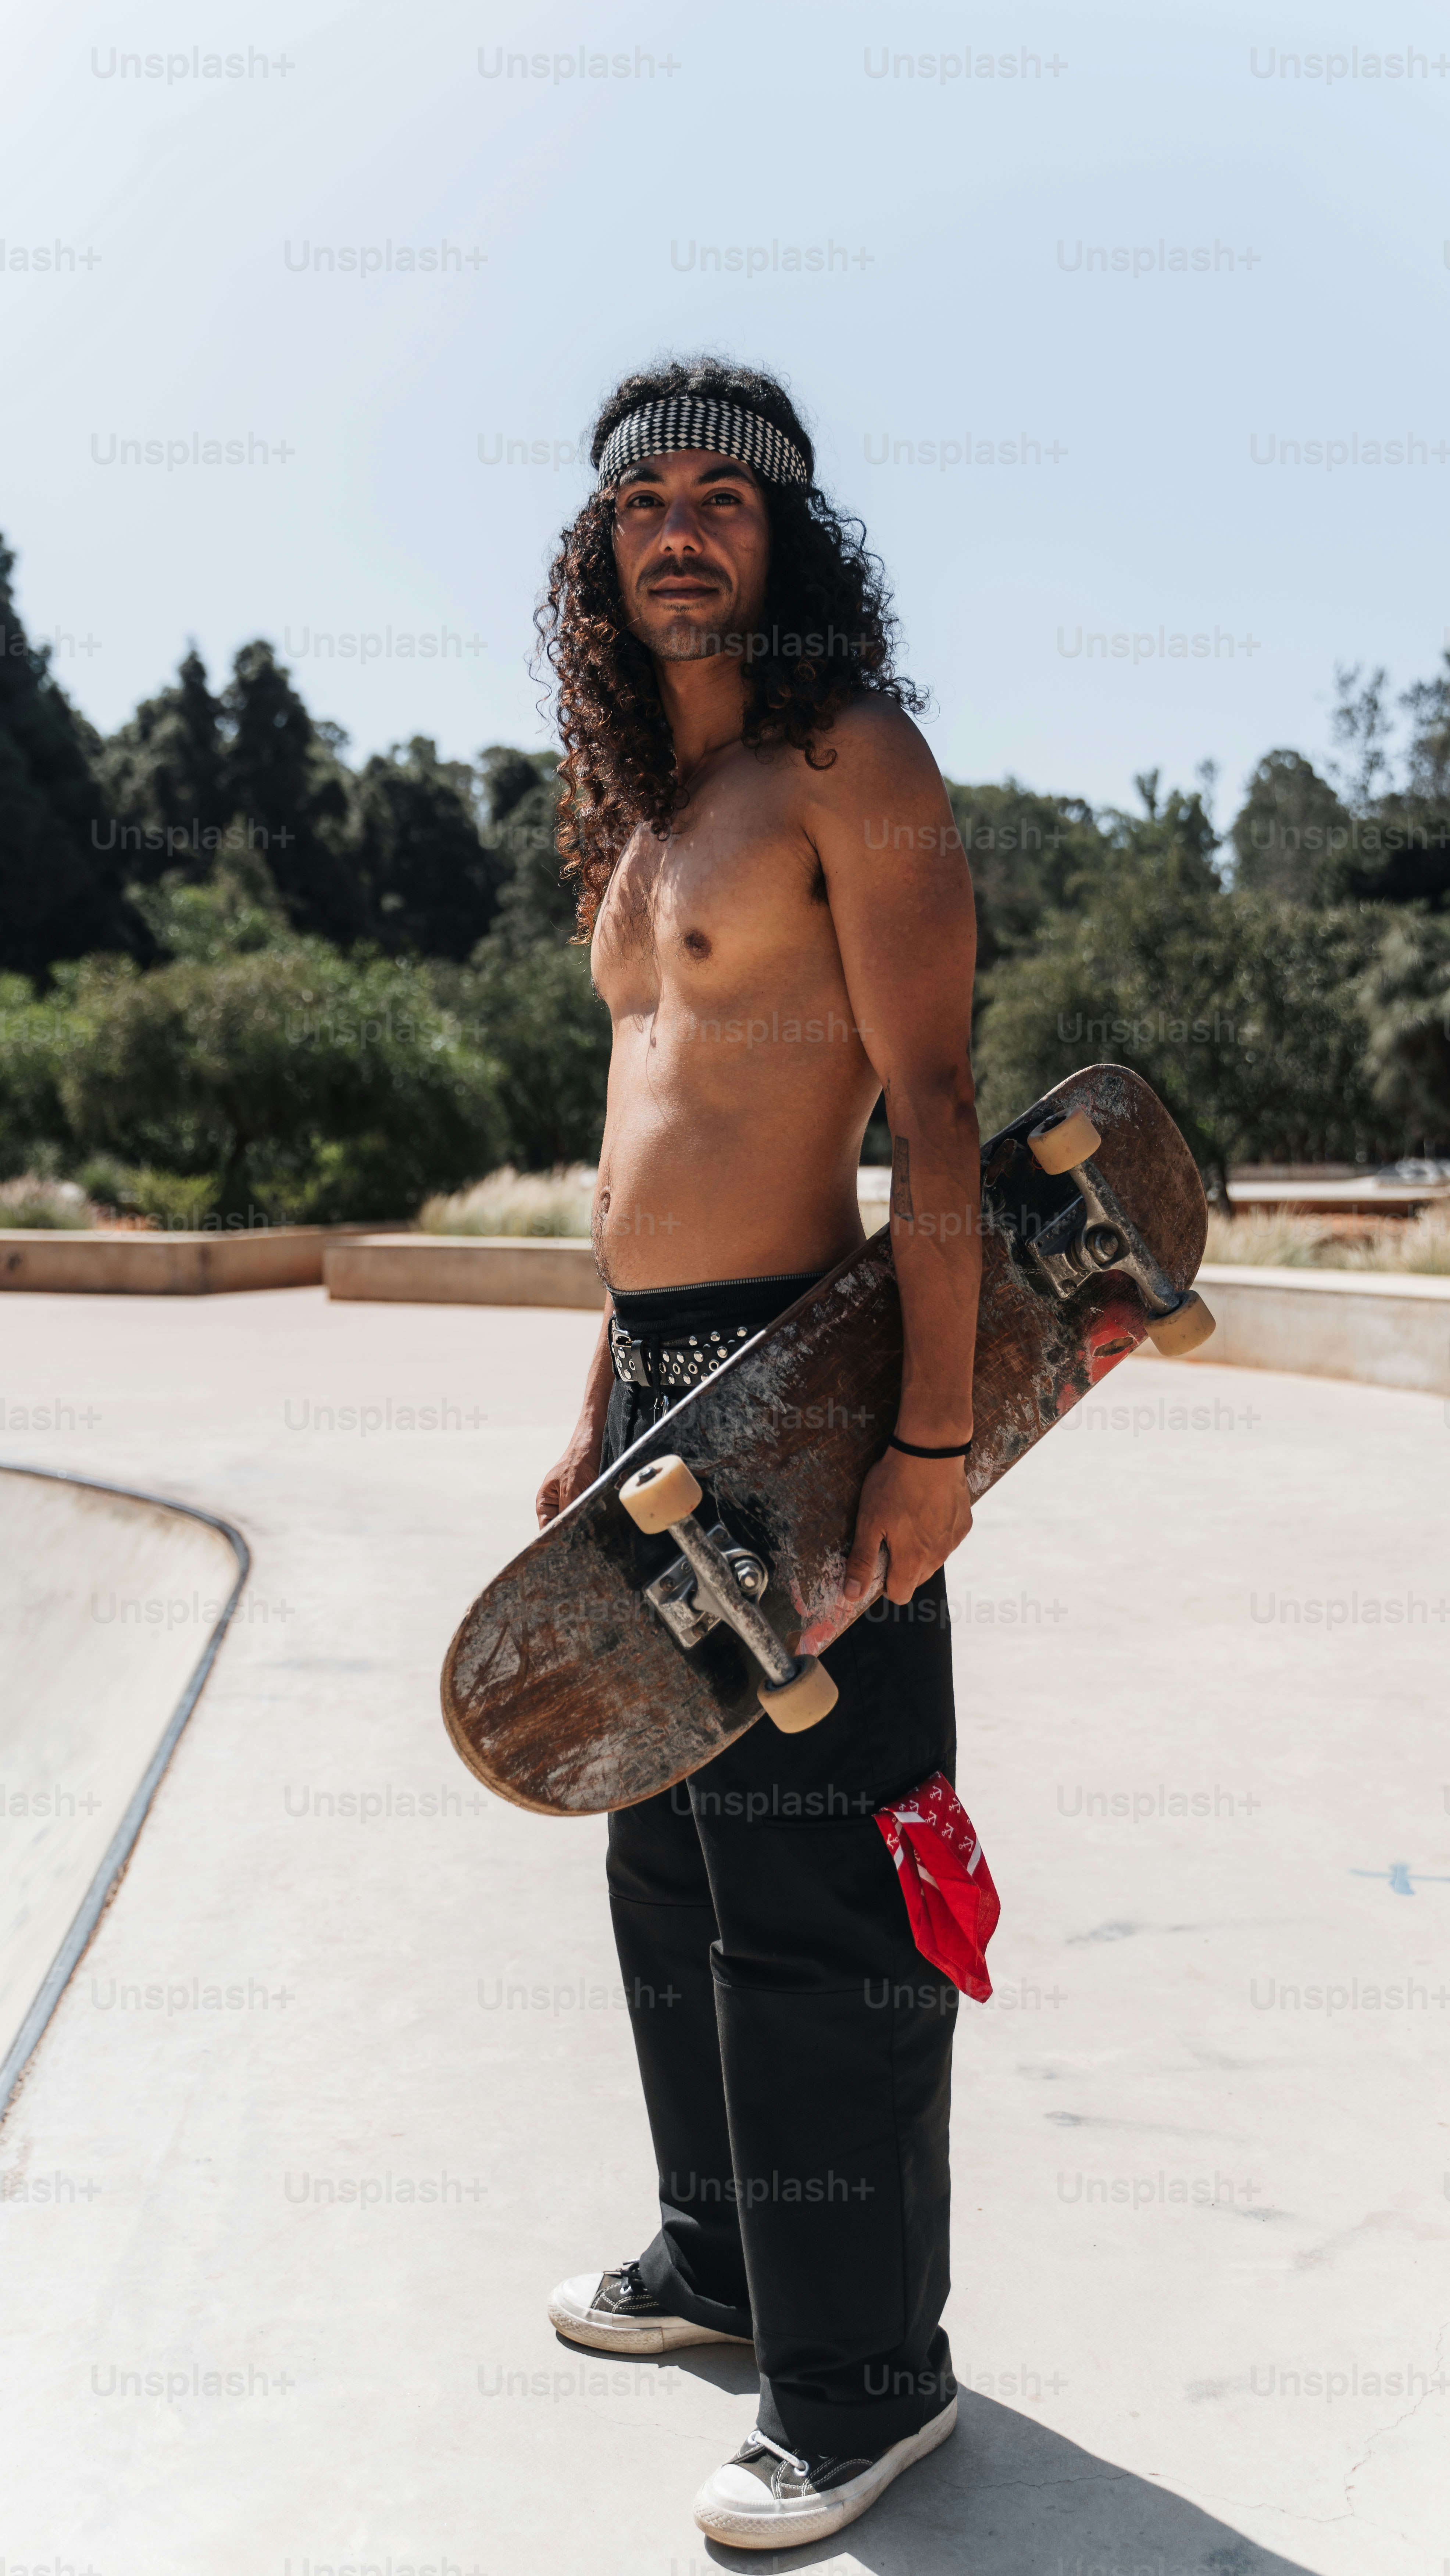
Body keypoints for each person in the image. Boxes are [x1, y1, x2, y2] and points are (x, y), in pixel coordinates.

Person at [533, 358, 981, 2551]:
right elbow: (647, 1130)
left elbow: (938, 1117)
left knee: (819, 1892)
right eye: (644, 509)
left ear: (790, 539)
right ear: (602, 558)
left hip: (808, 1386)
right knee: (667, 1857)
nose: (681, 533)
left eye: (726, 500)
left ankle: (870, 2379)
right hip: (650, 1390)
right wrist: (588, 1405)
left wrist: (927, 1440)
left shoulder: (849, 766)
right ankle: (723, 2248)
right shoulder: (638, 812)